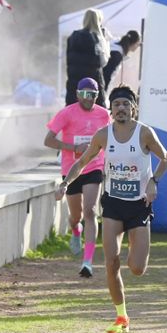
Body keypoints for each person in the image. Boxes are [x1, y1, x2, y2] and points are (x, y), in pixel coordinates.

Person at [55, 86, 167, 333]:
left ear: (133, 108)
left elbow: (166, 158)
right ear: (111, 110)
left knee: (137, 269)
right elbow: (82, 162)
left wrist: (153, 181)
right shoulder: (102, 135)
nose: (120, 108)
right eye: (116, 104)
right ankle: (121, 317)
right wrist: (65, 183)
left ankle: (135, 245)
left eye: (125, 104)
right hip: (113, 205)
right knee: (111, 262)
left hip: (139, 206)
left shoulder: (144, 133)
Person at [45, 77, 110, 277]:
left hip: (94, 167)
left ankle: (87, 262)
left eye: (93, 95)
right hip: (71, 169)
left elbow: (112, 138)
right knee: (76, 217)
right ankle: (75, 230)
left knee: (90, 211)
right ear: (77, 94)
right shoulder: (67, 113)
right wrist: (74, 148)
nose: (89, 98)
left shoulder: (104, 115)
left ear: (97, 96)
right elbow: (48, 140)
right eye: (85, 94)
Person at [66, 8, 109, 107]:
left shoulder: (73, 37)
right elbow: (102, 61)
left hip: (74, 88)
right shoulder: (96, 38)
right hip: (92, 87)